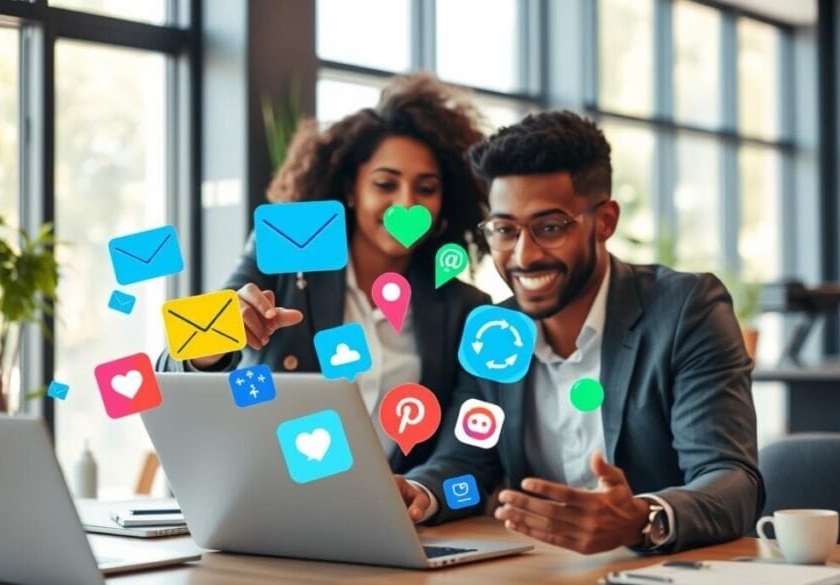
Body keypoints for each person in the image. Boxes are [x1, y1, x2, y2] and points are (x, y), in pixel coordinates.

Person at [393, 111, 764, 553]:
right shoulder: (493, 331)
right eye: (505, 230)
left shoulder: (685, 311)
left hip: (661, 571)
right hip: (542, 573)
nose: (524, 256)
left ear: (605, 221)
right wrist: (422, 494)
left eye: (550, 227)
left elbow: (733, 481)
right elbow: (468, 464)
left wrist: (641, 520)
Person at [156, 74, 491, 477]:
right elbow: (172, 366)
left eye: (426, 189)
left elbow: (466, 446)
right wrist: (220, 330)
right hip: (269, 497)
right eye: (385, 184)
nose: (406, 204)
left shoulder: (463, 307)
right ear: (351, 189)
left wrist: (422, 491)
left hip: (389, 513)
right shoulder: (285, 253)